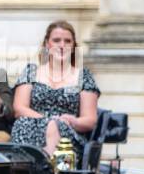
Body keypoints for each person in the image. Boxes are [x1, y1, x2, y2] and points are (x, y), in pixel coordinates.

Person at [11, 21, 100, 158]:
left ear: (73, 46)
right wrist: (47, 120)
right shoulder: (31, 72)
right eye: (57, 40)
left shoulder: (83, 77)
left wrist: (73, 121)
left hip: (68, 131)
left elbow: (90, 120)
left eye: (67, 41)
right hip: (30, 125)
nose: (62, 45)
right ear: (47, 44)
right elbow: (19, 108)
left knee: (54, 127)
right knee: (31, 124)